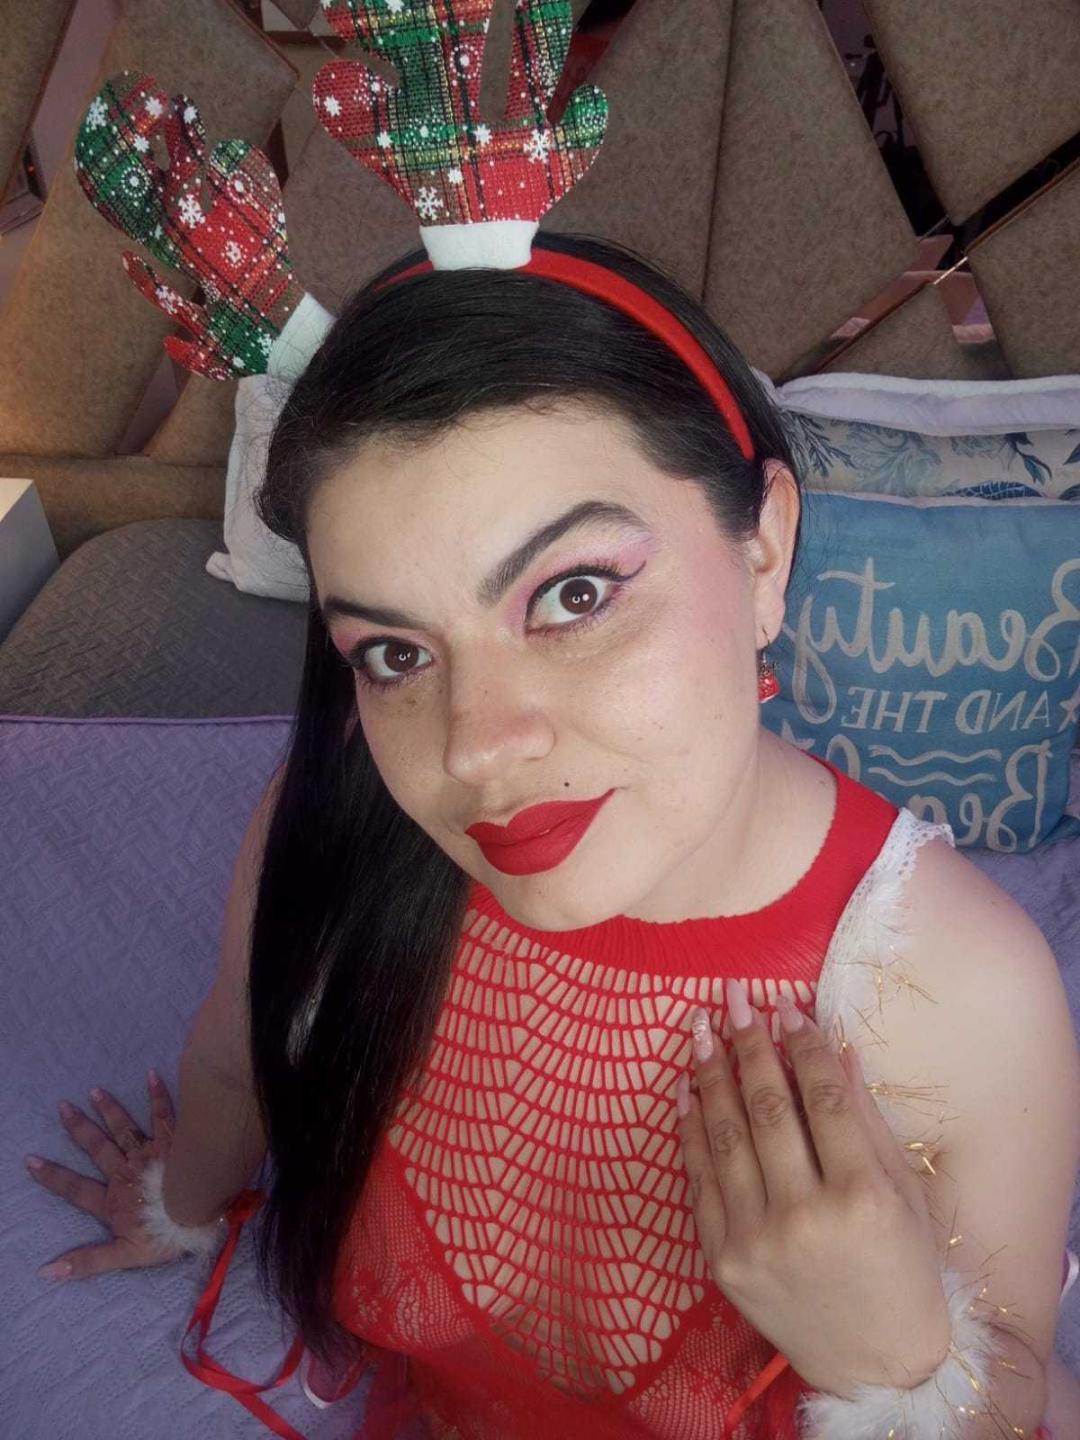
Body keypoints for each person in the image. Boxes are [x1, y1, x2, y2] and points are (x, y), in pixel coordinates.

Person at [26, 231, 1077, 1439]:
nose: (476, 750)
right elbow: (240, 1051)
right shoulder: (340, 829)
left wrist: (902, 1364)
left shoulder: (962, 992)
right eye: (395, 653)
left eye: (575, 594)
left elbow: (1021, 1397)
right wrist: (180, 1202)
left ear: (764, 551)